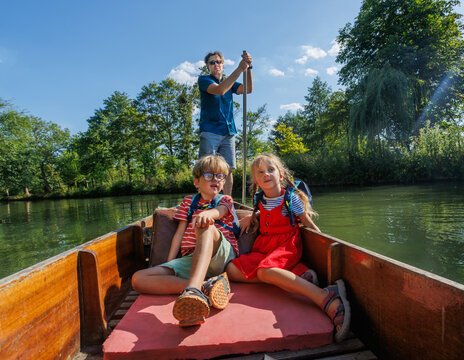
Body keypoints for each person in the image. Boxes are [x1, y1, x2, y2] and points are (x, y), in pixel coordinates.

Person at [225, 153, 351, 343]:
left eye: (270, 170)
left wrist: (325, 242)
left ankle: (326, 297)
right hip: (265, 248)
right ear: (256, 181)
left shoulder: (291, 199)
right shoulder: (259, 200)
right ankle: (297, 276)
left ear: (281, 175)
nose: (266, 174)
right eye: (260, 172)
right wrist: (251, 217)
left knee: (266, 271)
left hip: (286, 247)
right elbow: (262, 214)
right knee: (232, 270)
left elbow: (307, 223)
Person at [131, 154, 239, 327]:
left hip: (221, 255)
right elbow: (179, 234)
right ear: (196, 182)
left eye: (220, 176)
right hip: (192, 259)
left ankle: (193, 291)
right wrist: (169, 263)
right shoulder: (189, 202)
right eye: (209, 175)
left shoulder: (225, 200)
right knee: (138, 279)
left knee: (205, 226)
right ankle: (206, 287)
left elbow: (219, 212)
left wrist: (207, 214)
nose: (216, 179)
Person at [198, 51, 253, 196]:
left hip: (228, 132)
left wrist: (248, 68)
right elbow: (220, 90)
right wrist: (240, 69)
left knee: (228, 169)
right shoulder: (204, 80)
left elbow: (248, 89)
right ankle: (206, 200)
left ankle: (227, 201)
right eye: (212, 62)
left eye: (219, 62)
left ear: (223, 65)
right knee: (206, 167)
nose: (216, 64)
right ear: (208, 67)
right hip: (210, 131)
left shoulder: (231, 83)